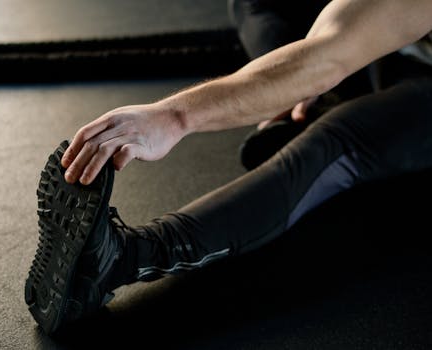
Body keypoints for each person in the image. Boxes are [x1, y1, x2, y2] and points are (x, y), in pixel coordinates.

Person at [24, 0, 432, 336]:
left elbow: (327, 55)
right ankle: (311, 97)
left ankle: (119, 261)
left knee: (336, 140)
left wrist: (173, 116)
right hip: (402, 51)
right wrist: (306, 76)